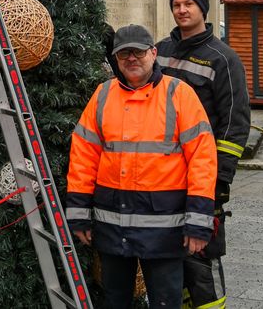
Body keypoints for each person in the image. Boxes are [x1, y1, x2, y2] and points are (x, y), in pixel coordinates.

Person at [67, 24, 217, 309]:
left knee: (165, 302)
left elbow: (203, 160)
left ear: (154, 53)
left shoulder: (179, 95)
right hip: (112, 228)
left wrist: (198, 222)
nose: (131, 59)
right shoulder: (103, 95)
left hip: (164, 232)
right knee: (114, 301)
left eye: (138, 52)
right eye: (124, 54)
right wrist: (79, 216)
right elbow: (83, 157)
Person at [156, 0, 251, 309]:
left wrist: (219, 180)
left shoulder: (223, 59)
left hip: (202, 179)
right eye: (177, 4)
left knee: (201, 262)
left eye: (188, 4)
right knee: (170, 258)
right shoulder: (160, 52)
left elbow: (234, 124)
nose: (182, 10)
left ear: (202, 9)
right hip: (163, 178)